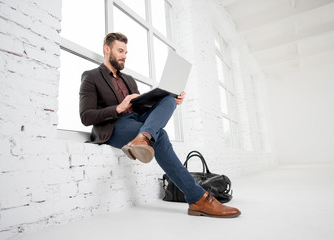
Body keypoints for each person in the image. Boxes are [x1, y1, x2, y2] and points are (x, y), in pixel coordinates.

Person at [79, 32, 241, 218]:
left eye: (126, 52)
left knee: (169, 100)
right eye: (120, 51)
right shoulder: (91, 76)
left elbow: (140, 109)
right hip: (114, 128)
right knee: (161, 136)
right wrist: (119, 108)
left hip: (136, 121)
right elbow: (85, 116)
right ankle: (199, 199)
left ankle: (144, 137)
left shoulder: (129, 80)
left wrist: (163, 98)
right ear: (107, 50)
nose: (125, 55)